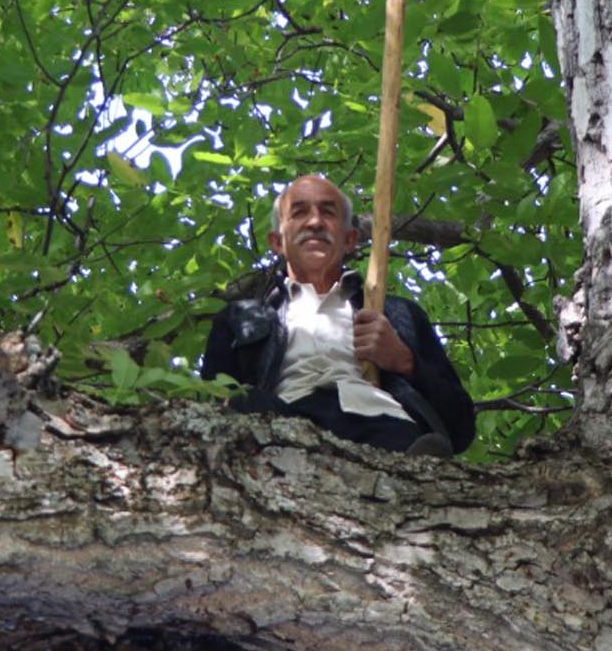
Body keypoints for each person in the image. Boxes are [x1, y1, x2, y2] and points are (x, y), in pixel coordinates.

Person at [200, 174, 475, 457]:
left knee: (415, 443)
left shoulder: (398, 314)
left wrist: (404, 361)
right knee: (244, 402)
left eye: (328, 212)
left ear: (350, 240)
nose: (315, 222)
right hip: (280, 422)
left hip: (381, 423)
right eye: (299, 212)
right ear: (277, 241)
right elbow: (213, 405)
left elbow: (462, 428)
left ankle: (416, 473)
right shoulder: (242, 318)